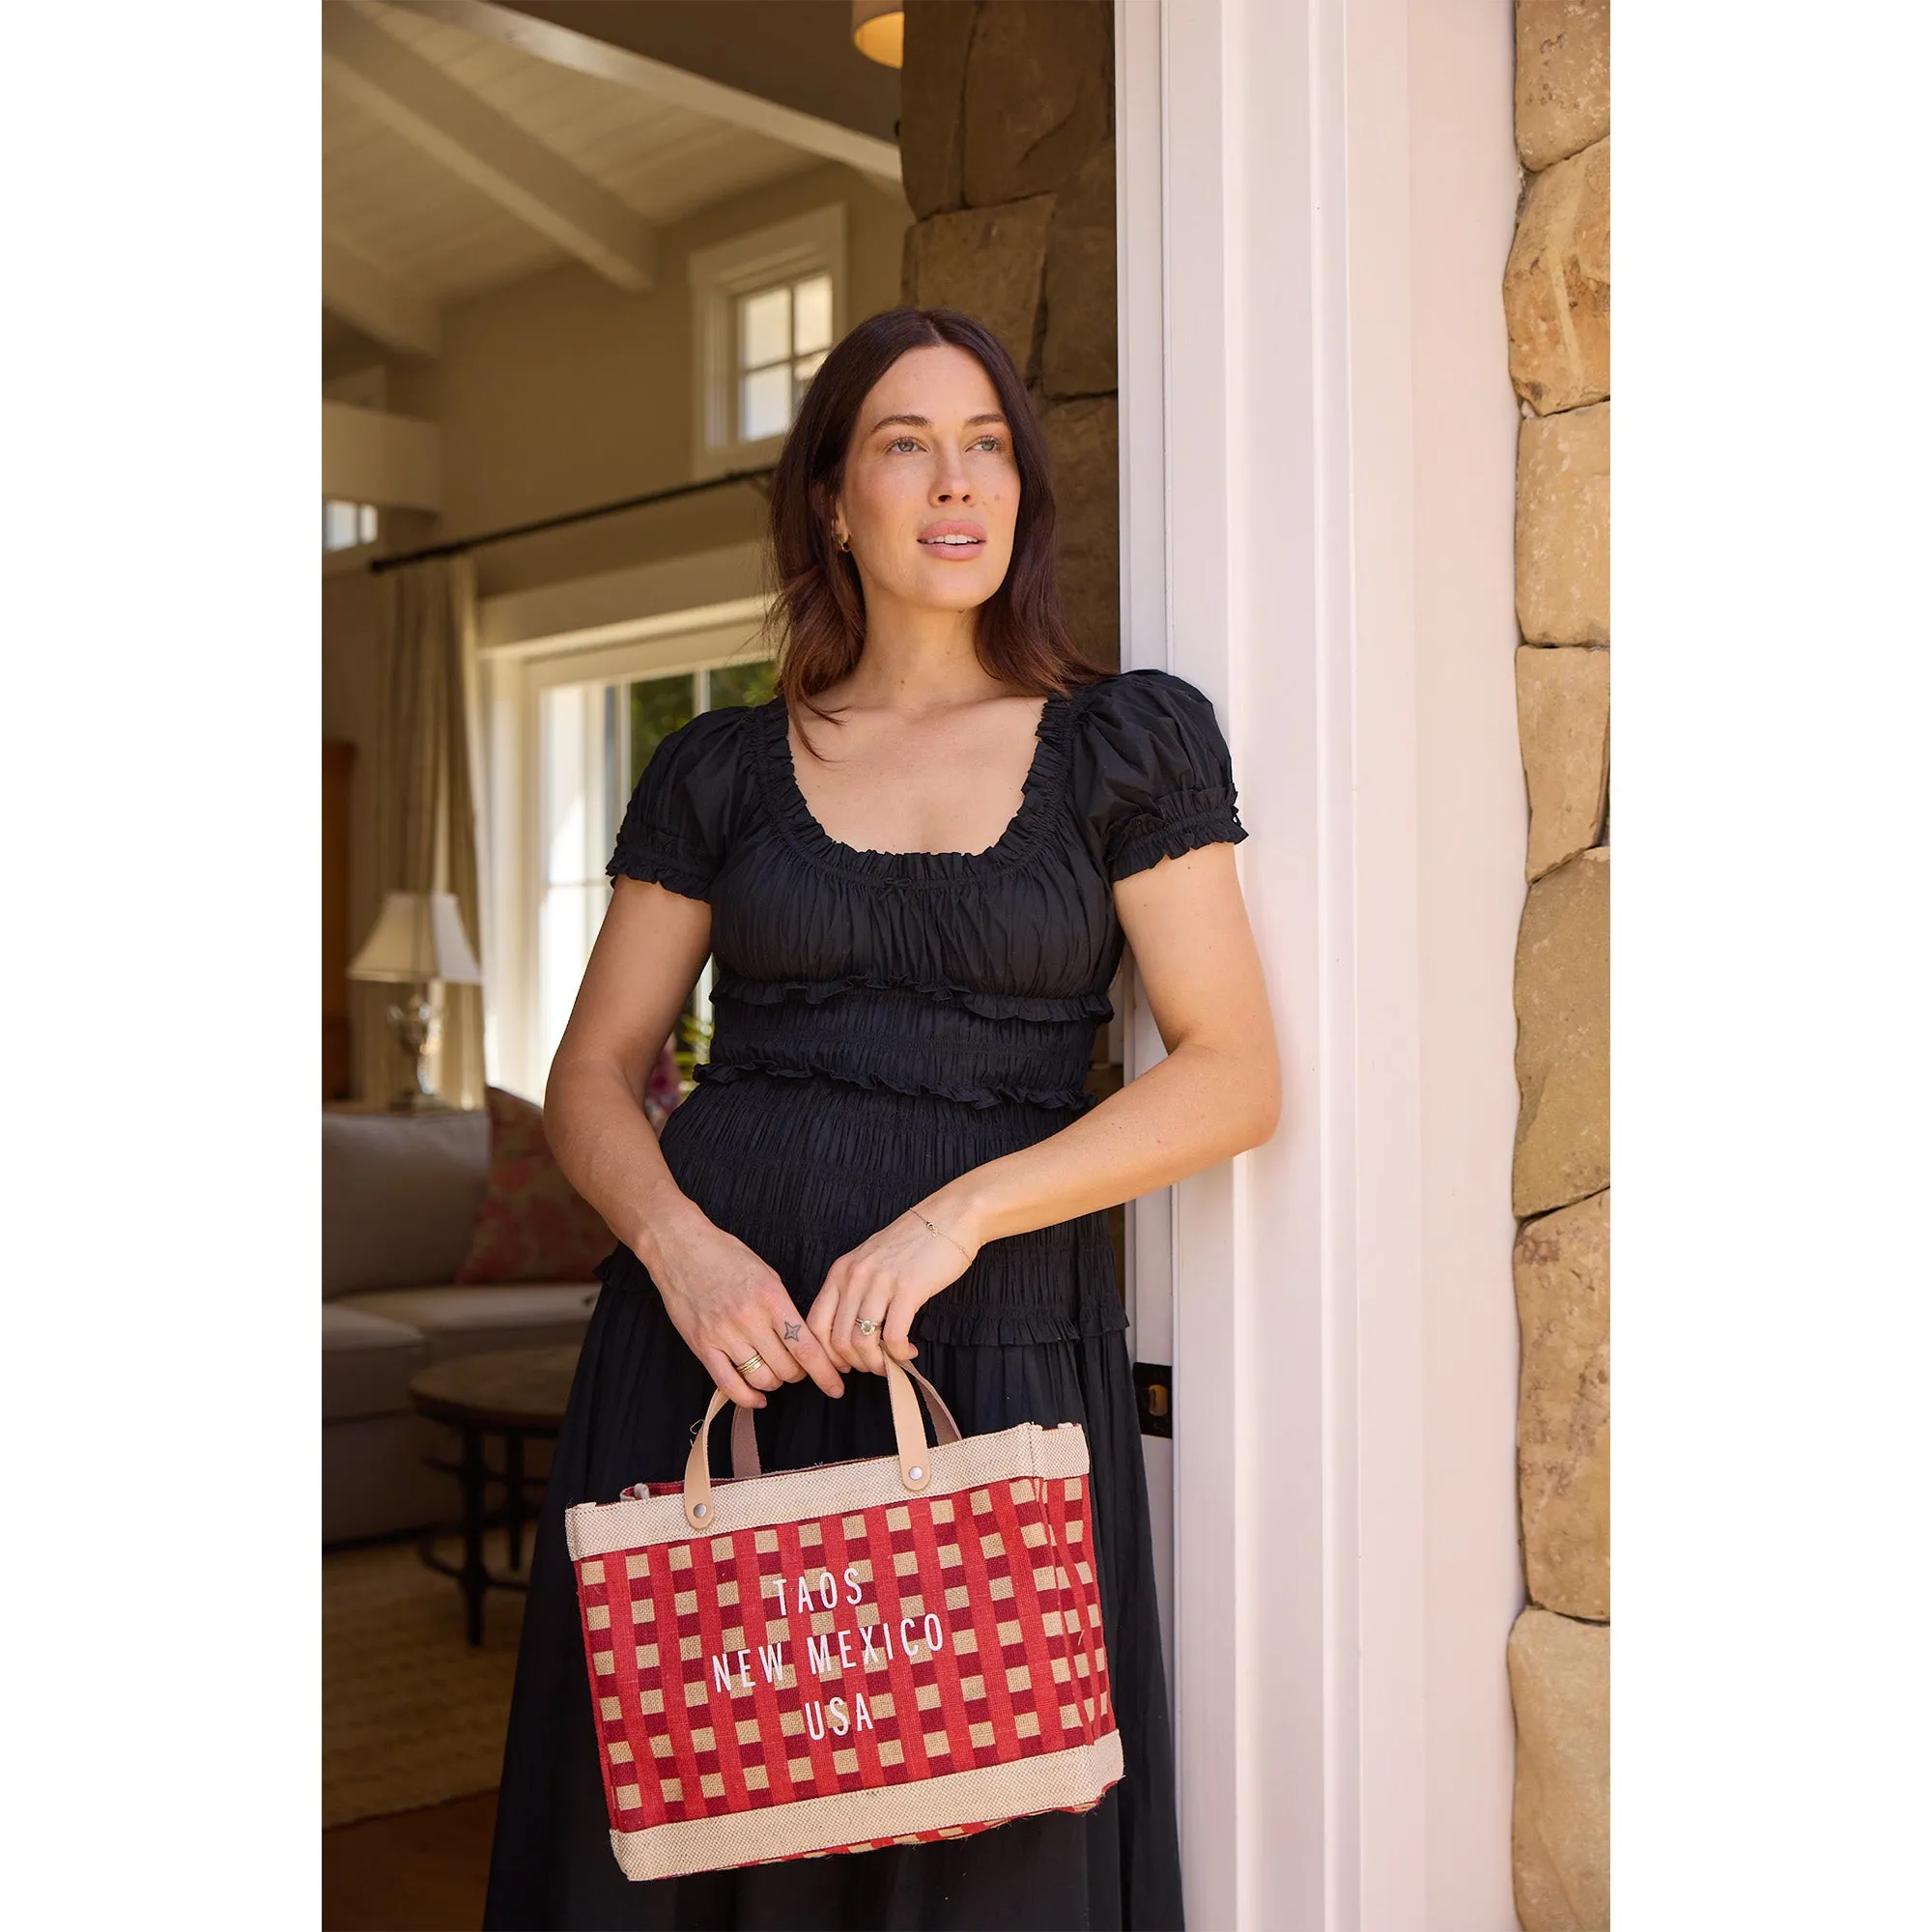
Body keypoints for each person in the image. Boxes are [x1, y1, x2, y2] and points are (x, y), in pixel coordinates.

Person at [484, 306, 1280, 1931]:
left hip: (985, 1356)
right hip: (718, 1352)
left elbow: (1232, 1071)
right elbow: (592, 1072)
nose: (953, 483)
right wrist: (682, 1254)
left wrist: (956, 1216)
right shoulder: (719, 768)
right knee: (694, 1803)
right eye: (903, 446)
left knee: (981, 1829)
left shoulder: (1129, 743)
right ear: (832, 501)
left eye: (985, 443)